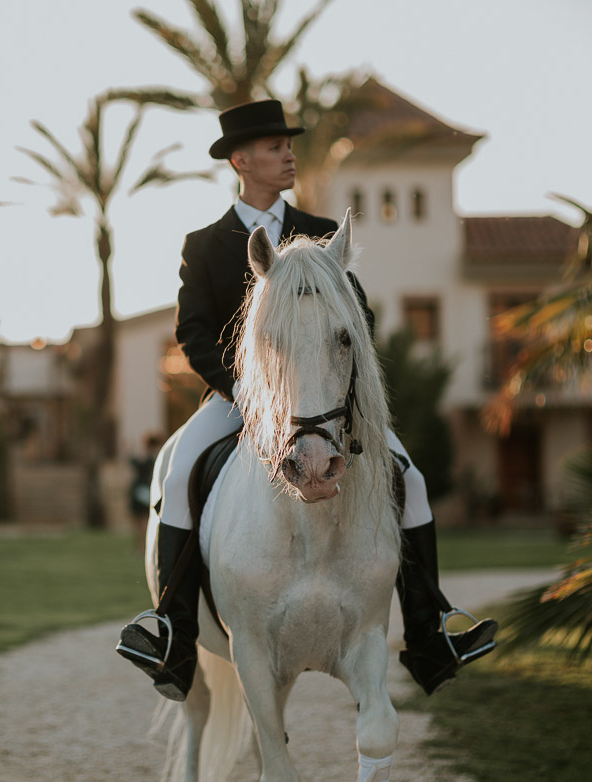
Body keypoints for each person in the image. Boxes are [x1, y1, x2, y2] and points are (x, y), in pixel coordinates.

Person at [115, 100, 497, 701]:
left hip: (324, 401)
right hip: (237, 396)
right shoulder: (205, 244)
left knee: (410, 477)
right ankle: (172, 630)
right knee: (180, 467)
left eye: (289, 145)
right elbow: (192, 332)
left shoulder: (322, 234)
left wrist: (335, 382)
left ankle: (431, 628)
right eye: (274, 147)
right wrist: (246, 390)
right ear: (241, 160)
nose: (289, 154)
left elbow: (359, 317)